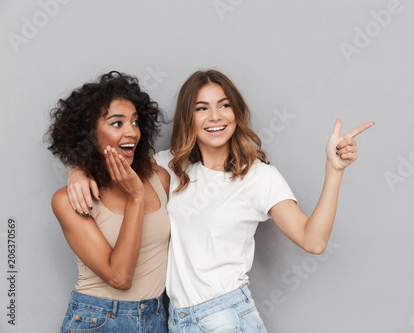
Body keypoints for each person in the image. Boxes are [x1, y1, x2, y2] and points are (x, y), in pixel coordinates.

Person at [68, 69, 374, 332]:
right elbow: (117, 160)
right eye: (202, 108)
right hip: (175, 320)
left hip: (226, 318)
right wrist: (79, 171)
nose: (215, 116)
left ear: (236, 113)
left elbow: (314, 240)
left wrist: (333, 171)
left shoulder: (258, 177)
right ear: (189, 117)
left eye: (224, 105)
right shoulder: (169, 167)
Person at [47, 71, 170, 332]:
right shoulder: (69, 199)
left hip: (156, 317)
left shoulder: (160, 178)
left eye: (135, 122)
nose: (131, 132)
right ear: (90, 134)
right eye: (117, 123)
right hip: (99, 320)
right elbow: (120, 276)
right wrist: (136, 197)